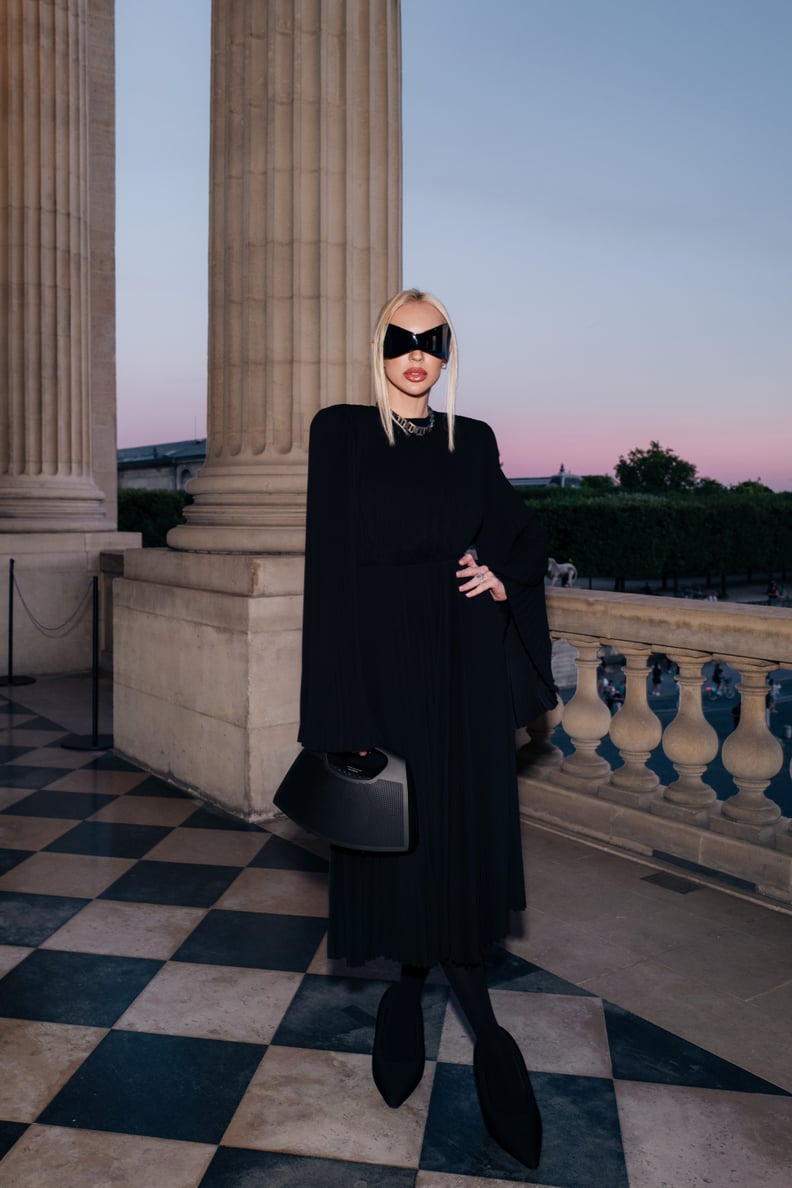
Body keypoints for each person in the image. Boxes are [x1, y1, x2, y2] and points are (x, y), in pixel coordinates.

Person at [298, 288, 556, 1170]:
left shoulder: (471, 439)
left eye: (433, 340)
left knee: (454, 845)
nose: (418, 354)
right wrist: (338, 713)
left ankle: (440, 1015)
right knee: (407, 850)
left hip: (462, 669)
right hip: (381, 674)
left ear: (448, 352)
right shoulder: (339, 432)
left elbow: (522, 533)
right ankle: (473, 1036)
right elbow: (328, 574)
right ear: (381, 346)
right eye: (403, 340)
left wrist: (501, 582)